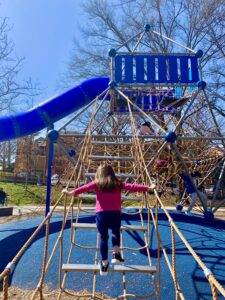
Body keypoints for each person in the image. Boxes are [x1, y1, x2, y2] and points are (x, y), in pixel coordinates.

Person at [62, 165, 156, 276]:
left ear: (99, 174)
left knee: (103, 237)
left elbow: (84, 188)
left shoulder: (96, 184)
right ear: (112, 174)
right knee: (115, 232)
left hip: (101, 214)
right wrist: (148, 188)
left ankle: (104, 264)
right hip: (115, 214)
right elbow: (133, 186)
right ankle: (116, 254)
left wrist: (70, 192)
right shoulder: (118, 184)